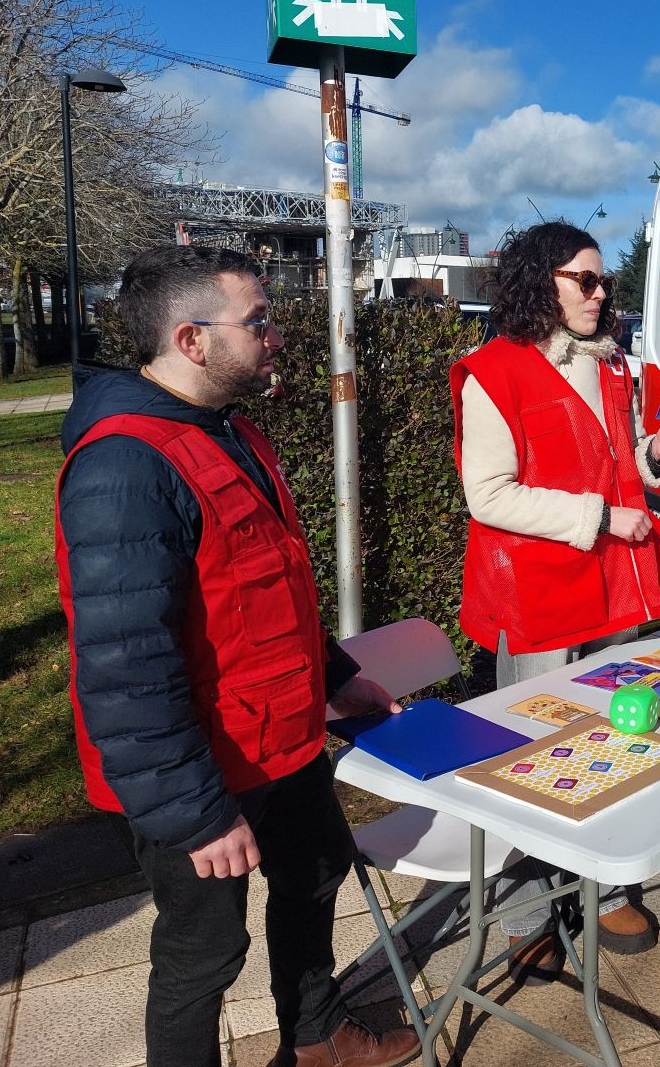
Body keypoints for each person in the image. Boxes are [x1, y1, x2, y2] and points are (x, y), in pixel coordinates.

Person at [55, 246, 418, 1067]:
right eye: (257, 322)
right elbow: (123, 664)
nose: (275, 335)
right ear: (190, 339)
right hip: (202, 773)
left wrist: (336, 679)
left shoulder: (231, 431)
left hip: (279, 739)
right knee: (202, 956)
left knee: (315, 877)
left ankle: (318, 1038)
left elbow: (269, 588)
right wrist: (196, 813)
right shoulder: (126, 465)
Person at [451, 220, 660, 979]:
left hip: (620, 587)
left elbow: (620, 460)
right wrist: (596, 517)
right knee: (531, 757)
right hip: (542, 599)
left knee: (618, 742)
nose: (599, 294)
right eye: (582, 280)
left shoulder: (615, 364)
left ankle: (605, 887)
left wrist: (656, 453)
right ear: (539, 283)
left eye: (603, 282)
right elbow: (487, 496)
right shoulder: (492, 370)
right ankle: (529, 910)